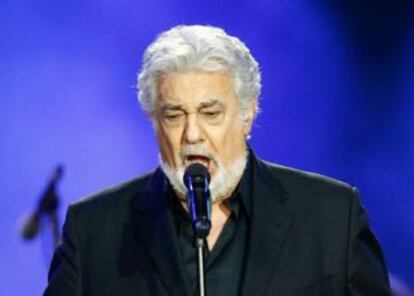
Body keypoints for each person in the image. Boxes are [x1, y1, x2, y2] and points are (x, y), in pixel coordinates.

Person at [44, 25, 391, 296]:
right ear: (154, 120)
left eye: (210, 113)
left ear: (248, 113)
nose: (192, 134)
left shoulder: (332, 217)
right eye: (174, 115)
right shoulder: (93, 230)